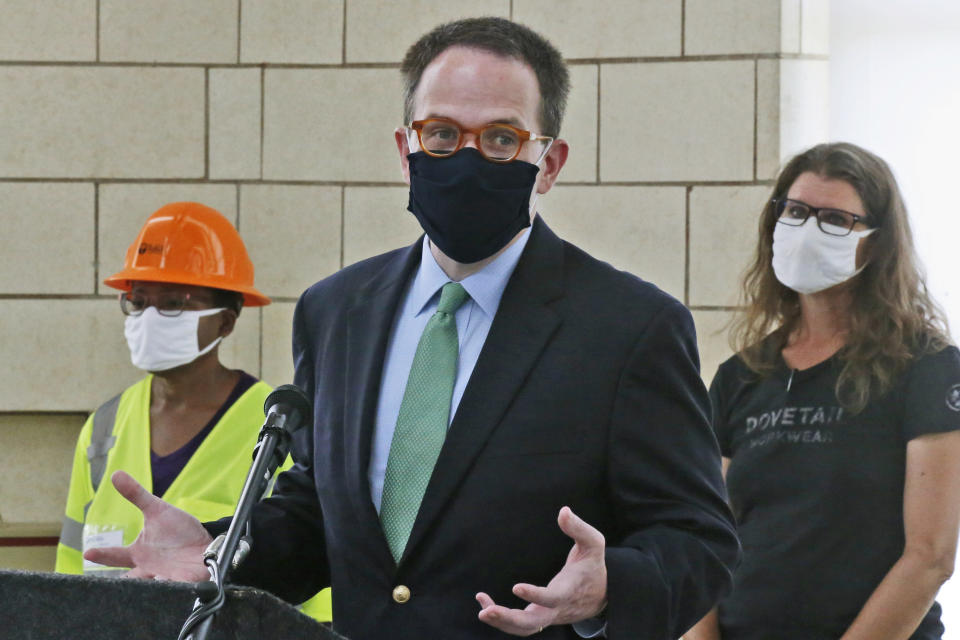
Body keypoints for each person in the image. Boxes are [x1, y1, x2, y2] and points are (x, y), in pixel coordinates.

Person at [85, 18, 739, 639]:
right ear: (406, 150)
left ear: (550, 163)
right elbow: (317, 513)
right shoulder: (336, 312)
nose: (470, 156)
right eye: (444, 135)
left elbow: (699, 542)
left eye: (503, 138)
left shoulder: (629, 328)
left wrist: (608, 587)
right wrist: (216, 552)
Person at [685, 142, 960, 640]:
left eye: (835, 219)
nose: (808, 230)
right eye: (794, 212)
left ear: (875, 244)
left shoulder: (926, 366)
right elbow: (702, 538)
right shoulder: (741, 375)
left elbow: (930, 556)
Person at [54, 201, 331, 621]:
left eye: (174, 303)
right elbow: (70, 573)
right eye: (138, 300)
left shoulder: (281, 422)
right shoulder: (103, 427)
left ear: (225, 321)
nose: (149, 317)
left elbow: (311, 570)